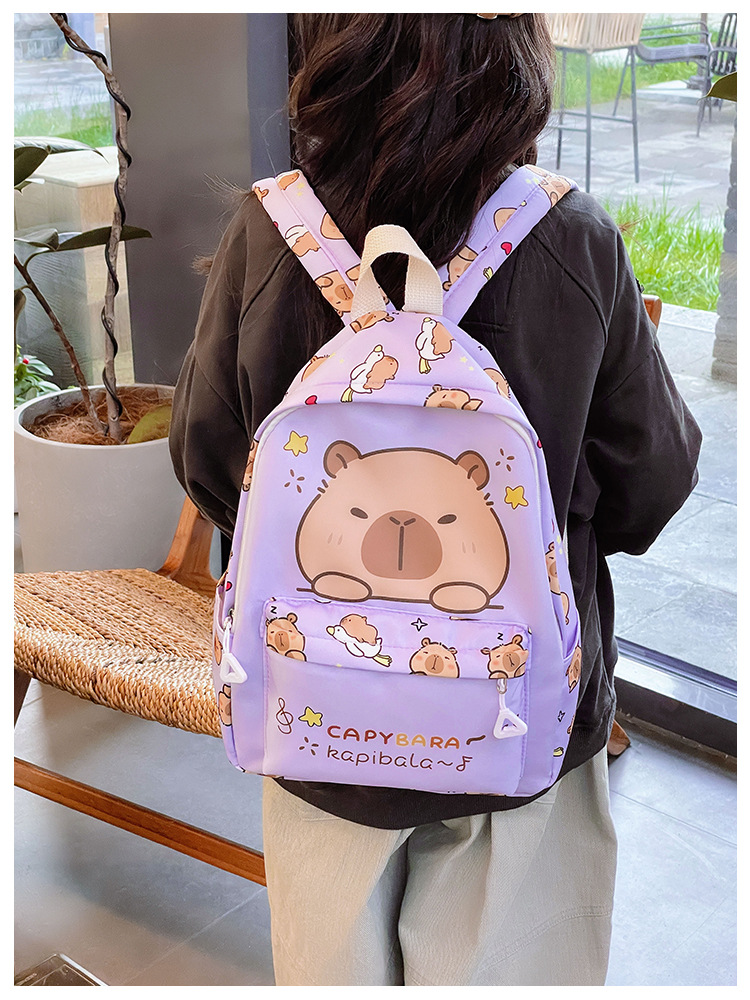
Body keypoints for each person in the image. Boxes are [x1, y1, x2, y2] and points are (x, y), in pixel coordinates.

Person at [169, 13, 701, 987]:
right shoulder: (572, 239)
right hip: (523, 715)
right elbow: (652, 485)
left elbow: (206, 464)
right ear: (516, 47)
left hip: (320, 714)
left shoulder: (271, 228)